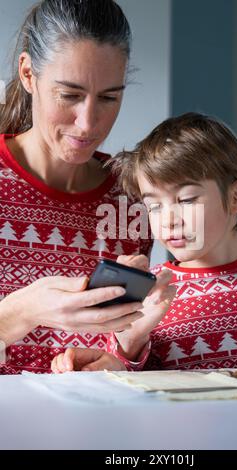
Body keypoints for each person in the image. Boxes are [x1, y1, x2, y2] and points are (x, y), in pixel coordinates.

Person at [0, 0, 175, 374]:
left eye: (110, 97)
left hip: (98, 426)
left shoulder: (132, 200)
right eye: (70, 95)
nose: (88, 122)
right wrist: (22, 310)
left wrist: (124, 357)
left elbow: (129, 357)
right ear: (29, 74)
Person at [52, 112, 237, 373]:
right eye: (154, 205)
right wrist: (130, 341)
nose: (169, 220)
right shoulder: (152, 294)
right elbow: (132, 378)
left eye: (187, 200)